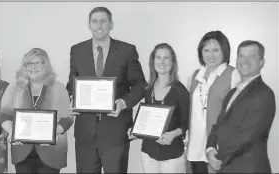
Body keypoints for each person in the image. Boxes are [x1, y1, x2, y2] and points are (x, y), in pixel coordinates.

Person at [66, 7, 146, 173]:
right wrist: (72, 97)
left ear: (111, 24)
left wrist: (123, 103)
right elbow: (72, 83)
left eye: (103, 21)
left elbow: (140, 85)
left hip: (115, 131)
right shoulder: (77, 50)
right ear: (89, 25)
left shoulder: (127, 51)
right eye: (94, 21)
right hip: (85, 133)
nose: (99, 25)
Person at [0, 48, 73, 173]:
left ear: (46, 65)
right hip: (22, 152)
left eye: (38, 63)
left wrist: (52, 134)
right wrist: (12, 132)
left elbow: (67, 118)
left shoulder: (58, 88)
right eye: (29, 63)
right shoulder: (14, 87)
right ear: (24, 66)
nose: (33, 67)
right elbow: (4, 114)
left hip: (52, 152)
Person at [206, 40, 276, 173]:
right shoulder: (233, 92)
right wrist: (210, 148)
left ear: (261, 62)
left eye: (251, 57)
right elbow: (218, 124)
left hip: (248, 168)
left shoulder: (264, 94)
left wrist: (217, 156)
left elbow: (246, 136)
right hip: (226, 166)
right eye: (241, 56)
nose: (245, 61)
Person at [186, 30, 241, 173]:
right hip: (195, 145)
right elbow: (190, 111)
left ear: (225, 51)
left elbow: (238, 114)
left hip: (218, 146)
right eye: (206, 50)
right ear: (201, 52)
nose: (210, 55)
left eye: (216, 50)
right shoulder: (194, 76)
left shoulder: (233, 75)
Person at [140, 43, 189, 173]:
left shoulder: (180, 91)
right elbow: (146, 115)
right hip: (148, 152)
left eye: (166, 58)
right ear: (153, 61)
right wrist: (135, 128)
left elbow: (186, 122)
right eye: (158, 57)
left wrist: (173, 134)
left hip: (172, 154)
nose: (162, 62)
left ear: (173, 62)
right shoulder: (147, 88)